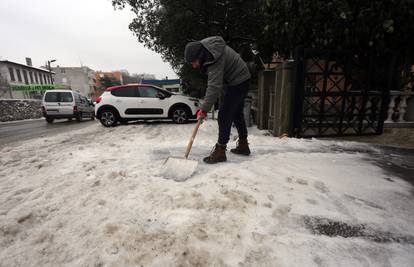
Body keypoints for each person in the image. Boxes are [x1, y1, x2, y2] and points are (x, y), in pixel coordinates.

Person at [184, 36, 251, 164]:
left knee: (224, 114)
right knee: (236, 113)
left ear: (200, 55)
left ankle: (220, 151)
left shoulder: (214, 57)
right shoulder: (208, 51)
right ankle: (243, 145)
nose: (193, 66)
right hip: (237, 79)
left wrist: (203, 109)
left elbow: (214, 87)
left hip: (239, 80)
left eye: (194, 62)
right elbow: (215, 84)